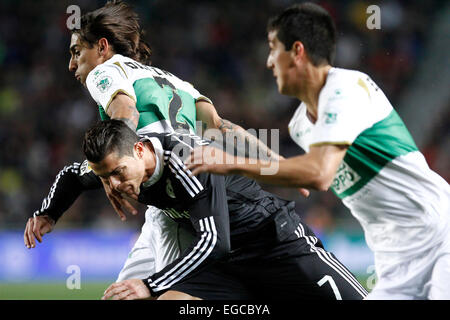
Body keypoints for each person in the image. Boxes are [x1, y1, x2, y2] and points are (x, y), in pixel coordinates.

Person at [186, 3, 450, 299]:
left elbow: (320, 174)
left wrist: (231, 163)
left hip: (436, 235)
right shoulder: (300, 123)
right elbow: (287, 164)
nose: (269, 62)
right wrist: (219, 131)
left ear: (297, 51)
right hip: (394, 256)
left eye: (274, 49)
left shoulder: (347, 89)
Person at [23, 0, 282, 282]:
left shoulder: (103, 71)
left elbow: (125, 111)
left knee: (167, 291)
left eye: (76, 52)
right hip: (180, 195)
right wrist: (277, 163)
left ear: (101, 47)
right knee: (124, 292)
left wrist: (114, 166)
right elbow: (221, 128)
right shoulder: (175, 81)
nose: (71, 64)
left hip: (178, 204)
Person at [84, 119, 366, 300]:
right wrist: (46, 215)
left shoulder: (185, 160)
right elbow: (74, 175)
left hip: (274, 245)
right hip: (225, 266)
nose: (115, 184)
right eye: (105, 177)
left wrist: (150, 284)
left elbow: (215, 241)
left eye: (118, 173)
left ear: (140, 150)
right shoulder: (119, 161)